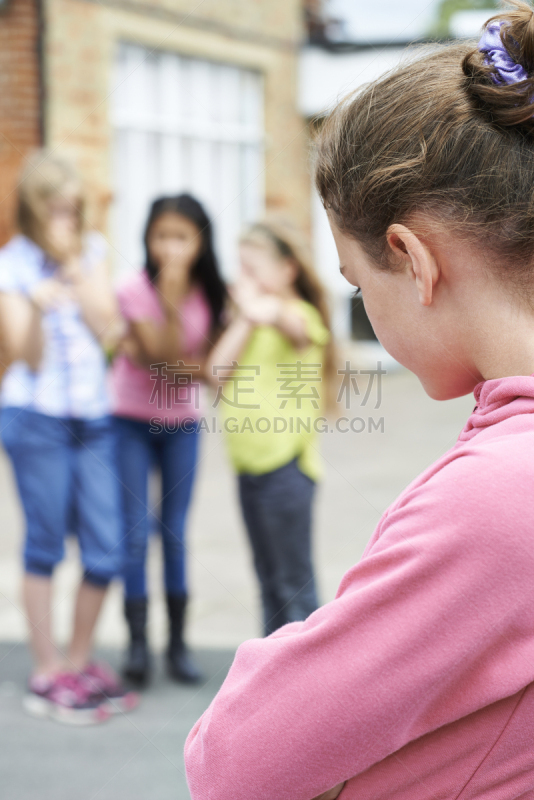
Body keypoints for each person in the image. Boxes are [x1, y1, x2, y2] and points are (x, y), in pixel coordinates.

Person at [184, 3, 534, 798]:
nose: (359, 304)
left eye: (356, 281)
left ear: (412, 260)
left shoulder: (498, 496)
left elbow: (234, 762)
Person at [0, 150, 136, 724]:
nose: (68, 221)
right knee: (46, 545)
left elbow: (111, 330)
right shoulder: (13, 264)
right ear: (35, 210)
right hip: (37, 419)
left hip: (95, 418)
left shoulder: (93, 251)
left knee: (107, 547)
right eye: (57, 211)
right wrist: (34, 302)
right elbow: (24, 356)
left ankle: (78, 662)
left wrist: (80, 281)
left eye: (73, 210)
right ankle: (47, 672)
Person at [111, 194, 226, 686]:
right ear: (147, 239)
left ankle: (177, 645)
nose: (170, 249)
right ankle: (138, 645)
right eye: (162, 237)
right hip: (130, 421)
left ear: (200, 241)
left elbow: (212, 370)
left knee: (174, 532)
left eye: (181, 237)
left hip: (181, 425)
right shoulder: (134, 289)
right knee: (135, 532)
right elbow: (162, 359)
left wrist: (180, 365)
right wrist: (172, 300)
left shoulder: (216, 294)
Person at [206, 221, 333, 637]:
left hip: (286, 471)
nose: (244, 280)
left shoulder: (299, 314)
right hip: (248, 470)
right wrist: (246, 318)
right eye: (239, 269)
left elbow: (297, 330)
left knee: (294, 584)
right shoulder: (248, 321)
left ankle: (312, 684)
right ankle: (273, 676)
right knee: (266, 581)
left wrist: (266, 311)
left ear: (287, 270)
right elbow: (215, 372)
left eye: (253, 269)